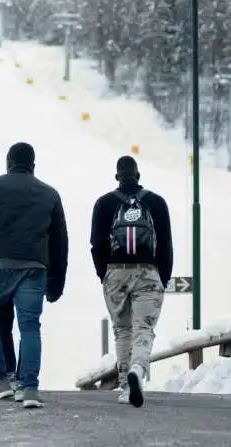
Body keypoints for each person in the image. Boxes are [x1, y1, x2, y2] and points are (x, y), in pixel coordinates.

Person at [0, 142, 69, 409]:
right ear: (33, 164)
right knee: (30, 327)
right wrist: (57, 282)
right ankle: (29, 389)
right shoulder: (50, 194)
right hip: (35, 269)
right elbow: (60, 243)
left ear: (9, 162)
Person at [90, 156, 173, 408]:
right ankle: (138, 368)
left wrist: (103, 274)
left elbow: (96, 245)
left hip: (115, 272)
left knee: (122, 329)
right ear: (138, 175)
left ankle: (126, 385)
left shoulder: (104, 204)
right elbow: (166, 245)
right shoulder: (156, 203)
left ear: (117, 177)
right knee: (143, 328)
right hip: (148, 271)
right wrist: (163, 276)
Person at [0, 300, 21, 394]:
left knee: (3, 325)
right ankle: (21, 379)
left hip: (4, 286)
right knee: (28, 328)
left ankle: (10, 373)